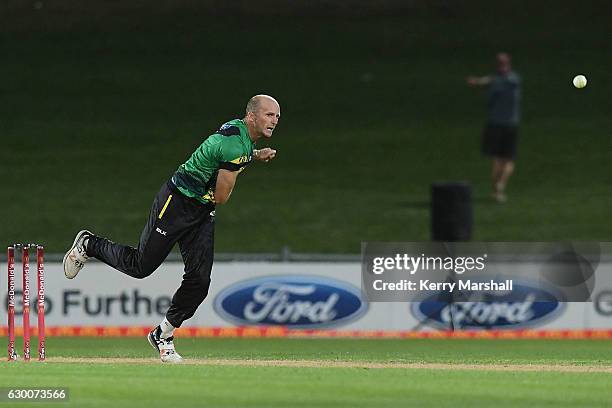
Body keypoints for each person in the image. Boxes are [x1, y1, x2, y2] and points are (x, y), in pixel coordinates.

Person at [63, 95, 280, 363]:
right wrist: (247, 159)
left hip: (200, 211)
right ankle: (89, 244)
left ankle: (163, 334)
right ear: (251, 116)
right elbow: (222, 196)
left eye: (277, 117)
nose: (275, 121)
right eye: (269, 115)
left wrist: (256, 155)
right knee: (140, 267)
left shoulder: (239, 136)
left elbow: (235, 156)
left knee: (199, 281)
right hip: (176, 202)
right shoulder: (234, 146)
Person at [467, 52, 521, 203]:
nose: (502, 66)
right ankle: (498, 188)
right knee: (498, 159)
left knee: (508, 159)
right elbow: (491, 83)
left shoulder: (512, 80)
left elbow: (493, 81)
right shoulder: (496, 81)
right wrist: (480, 83)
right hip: (496, 124)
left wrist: (478, 82)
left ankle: (500, 185)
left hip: (509, 125)